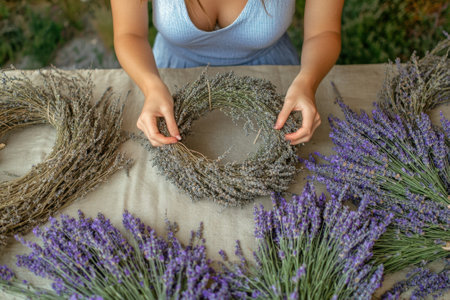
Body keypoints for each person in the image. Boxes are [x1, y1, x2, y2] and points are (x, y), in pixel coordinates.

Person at [111, 0, 344, 146]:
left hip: (275, 75)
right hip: (169, 76)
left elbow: (323, 31)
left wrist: (307, 81)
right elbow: (129, 34)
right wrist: (151, 86)